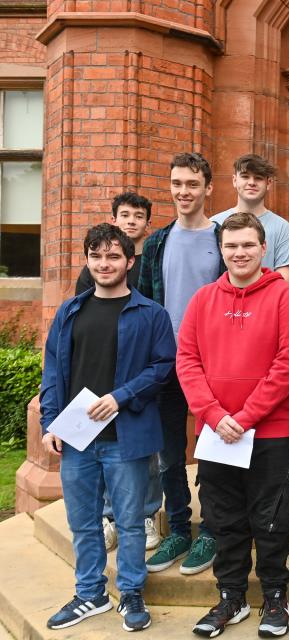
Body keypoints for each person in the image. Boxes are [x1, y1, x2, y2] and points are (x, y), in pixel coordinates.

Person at [177, 212, 289, 638]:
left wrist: (246, 417)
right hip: (216, 435)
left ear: (263, 247)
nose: (239, 253)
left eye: (247, 245)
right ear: (221, 250)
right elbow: (188, 362)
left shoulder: (285, 297)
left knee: (271, 517)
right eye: (231, 246)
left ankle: (274, 595)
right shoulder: (202, 300)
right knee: (223, 517)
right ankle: (231, 596)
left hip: (268, 431)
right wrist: (215, 416)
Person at [40, 223, 176, 632]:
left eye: (114, 256)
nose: (104, 263)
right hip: (77, 438)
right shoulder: (70, 311)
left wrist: (121, 396)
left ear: (129, 262)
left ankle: (132, 592)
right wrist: (50, 424)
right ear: (87, 260)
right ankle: (91, 593)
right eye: (96, 256)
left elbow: (163, 368)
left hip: (126, 437)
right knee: (83, 522)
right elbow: (52, 371)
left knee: (131, 521)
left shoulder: (151, 313)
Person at [139, 152, 226, 576]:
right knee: (169, 453)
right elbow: (141, 305)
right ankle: (177, 527)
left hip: (215, 364)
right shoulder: (156, 242)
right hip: (165, 364)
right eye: (176, 183)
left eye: (192, 184)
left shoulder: (225, 238)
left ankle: (211, 529)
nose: (183, 192)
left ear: (208, 188)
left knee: (212, 451)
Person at [74, 191, 165, 552]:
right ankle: (110, 516)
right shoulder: (94, 268)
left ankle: (145, 515)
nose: (131, 221)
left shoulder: (152, 259)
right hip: (103, 367)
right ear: (114, 218)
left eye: (138, 216)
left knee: (146, 450)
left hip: (141, 365)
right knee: (106, 447)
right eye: (124, 215)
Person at [211, 153, 289, 282]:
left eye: (258, 178)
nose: (251, 182)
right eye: (245, 176)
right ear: (235, 180)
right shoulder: (214, 223)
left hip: (266, 300)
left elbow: (283, 277)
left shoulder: (283, 228)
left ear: (268, 183)